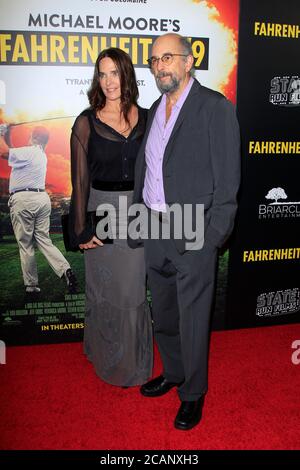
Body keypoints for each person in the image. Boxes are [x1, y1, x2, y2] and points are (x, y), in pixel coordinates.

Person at [130, 33, 241, 430]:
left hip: (195, 230)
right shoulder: (154, 110)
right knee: (164, 313)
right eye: (155, 60)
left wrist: (211, 239)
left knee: (194, 317)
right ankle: (174, 371)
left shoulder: (215, 108)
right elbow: (149, 168)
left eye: (168, 58)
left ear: (189, 60)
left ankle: (193, 393)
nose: (161, 66)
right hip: (154, 227)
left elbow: (228, 183)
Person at [69, 47, 153, 387]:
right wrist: (80, 229)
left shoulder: (147, 117)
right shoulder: (85, 122)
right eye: (102, 74)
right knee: (103, 288)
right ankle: (103, 354)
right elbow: (79, 181)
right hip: (100, 209)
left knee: (131, 291)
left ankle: (131, 364)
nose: (108, 81)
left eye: (114, 73)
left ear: (126, 74)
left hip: (135, 210)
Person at [0, 125, 77, 295]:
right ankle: (65, 270)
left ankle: (31, 285)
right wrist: (7, 134)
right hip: (41, 199)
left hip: (24, 200)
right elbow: (12, 152)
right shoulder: (40, 154)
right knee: (44, 240)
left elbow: (4, 153)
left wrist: (1, 132)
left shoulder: (28, 152)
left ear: (33, 136)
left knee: (26, 244)